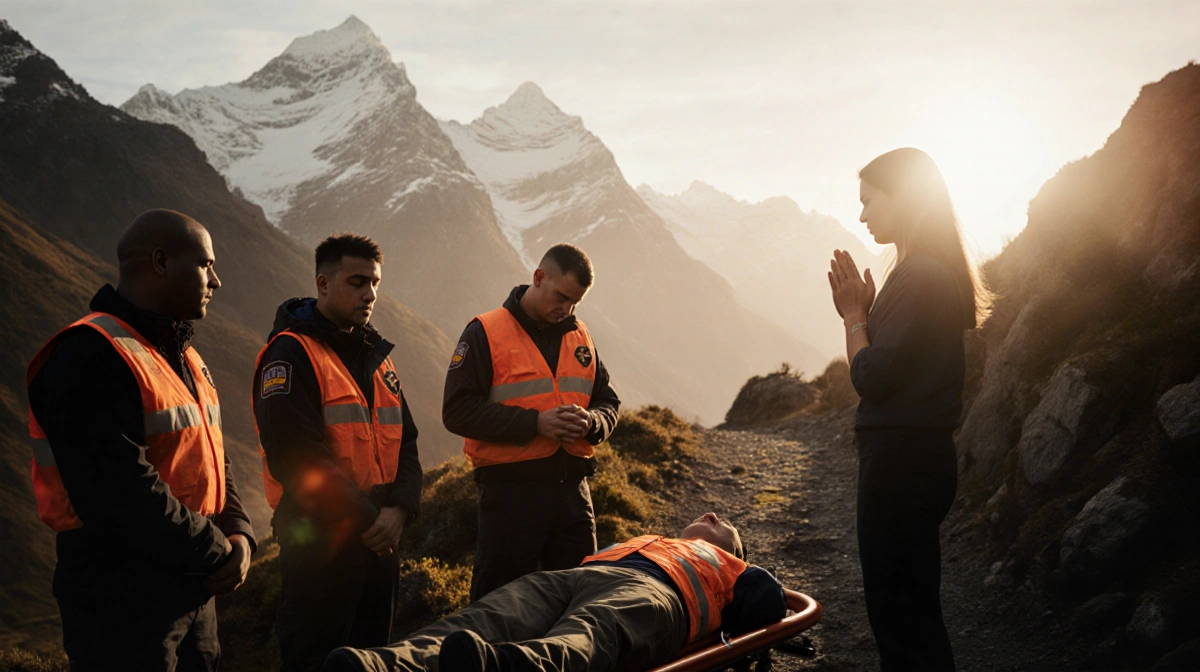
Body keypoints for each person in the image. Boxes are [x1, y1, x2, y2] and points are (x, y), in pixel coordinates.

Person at [26, 209, 255, 671]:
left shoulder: (182, 355)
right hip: (120, 596)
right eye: (205, 265)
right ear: (161, 262)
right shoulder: (89, 354)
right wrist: (217, 550)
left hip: (192, 585)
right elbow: (118, 491)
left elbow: (213, 456)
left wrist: (239, 533)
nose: (217, 281)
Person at [828, 147, 990, 671]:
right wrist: (871, 319)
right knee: (910, 611)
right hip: (917, 459)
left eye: (870, 200)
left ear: (905, 197)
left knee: (899, 618)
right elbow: (899, 365)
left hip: (900, 464)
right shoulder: (925, 271)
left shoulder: (921, 275)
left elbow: (871, 377)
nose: (862, 214)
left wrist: (853, 318)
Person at [253, 233, 423, 671]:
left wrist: (400, 510)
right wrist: (374, 521)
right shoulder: (290, 355)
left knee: (371, 661)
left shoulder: (376, 357)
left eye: (376, 283)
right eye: (357, 281)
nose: (370, 294)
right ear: (323, 284)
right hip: (319, 542)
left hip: (378, 542)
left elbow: (406, 440)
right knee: (317, 659)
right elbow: (299, 459)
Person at [323, 512, 785, 672]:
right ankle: (382, 664)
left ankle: (505, 667)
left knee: (587, 637)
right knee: (485, 617)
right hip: (574, 577)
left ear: (734, 550)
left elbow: (770, 603)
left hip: (658, 593)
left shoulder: (733, 569)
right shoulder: (650, 538)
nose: (711, 516)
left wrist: (742, 576)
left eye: (723, 524)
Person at [443, 243, 620, 601]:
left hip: (573, 496)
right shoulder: (485, 332)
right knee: (498, 609)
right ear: (538, 278)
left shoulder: (580, 335)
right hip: (511, 498)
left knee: (577, 604)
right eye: (561, 296)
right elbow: (457, 411)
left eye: (575, 302)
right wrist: (534, 424)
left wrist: (593, 422)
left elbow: (608, 401)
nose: (566, 308)